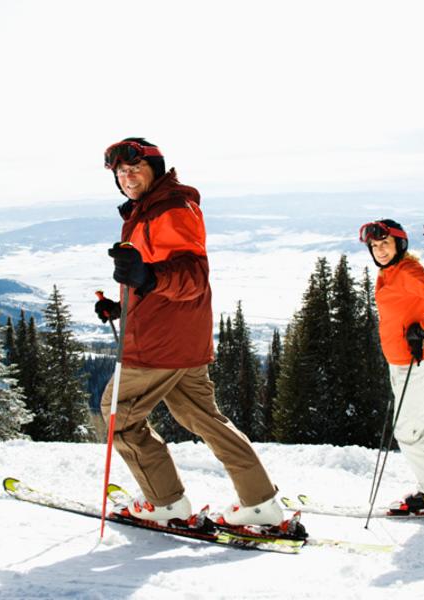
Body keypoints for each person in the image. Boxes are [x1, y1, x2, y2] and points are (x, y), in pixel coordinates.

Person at [94, 137, 283, 526]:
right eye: (121, 172)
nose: (128, 177)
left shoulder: (170, 210)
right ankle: (260, 504)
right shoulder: (151, 209)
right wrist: (122, 305)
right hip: (184, 340)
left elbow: (192, 279)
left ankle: (165, 503)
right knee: (206, 419)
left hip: (157, 347)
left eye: (135, 169)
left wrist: (145, 276)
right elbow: (156, 281)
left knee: (119, 419)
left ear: (156, 169)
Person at [359, 219, 424, 512]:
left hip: (416, 362)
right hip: (404, 362)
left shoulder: (406, 270)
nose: (380, 250)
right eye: (375, 246)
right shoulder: (388, 272)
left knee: (408, 431)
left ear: (399, 244)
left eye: (385, 244)